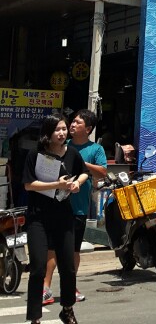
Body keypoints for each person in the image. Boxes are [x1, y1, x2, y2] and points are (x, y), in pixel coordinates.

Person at [23, 113, 88, 324]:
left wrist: (77, 183)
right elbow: (29, 185)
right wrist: (56, 185)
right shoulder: (36, 154)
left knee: (68, 266)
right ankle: (35, 317)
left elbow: (84, 172)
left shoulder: (72, 153)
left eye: (64, 129)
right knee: (38, 268)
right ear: (48, 132)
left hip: (63, 216)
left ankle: (67, 309)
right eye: (57, 130)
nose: (61, 133)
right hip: (38, 217)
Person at [43, 110, 108, 306]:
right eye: (71, 122)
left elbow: (102, 172)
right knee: (52, 248)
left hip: (78, 207)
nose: (71, 125)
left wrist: (80, 162)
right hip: (55, 204)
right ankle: (45, 287)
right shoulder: (62, 144)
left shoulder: (95, 149)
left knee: (73, 250)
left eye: (77, 123)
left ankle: (70, 286)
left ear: (88, 129)